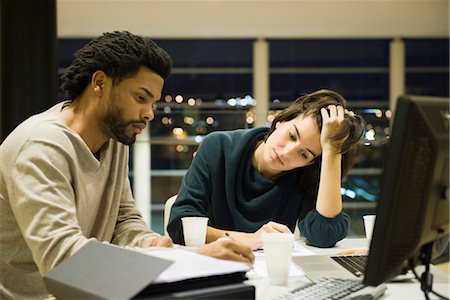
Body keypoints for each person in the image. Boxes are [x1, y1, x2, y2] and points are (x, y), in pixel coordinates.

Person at [0, 31, 253, 299]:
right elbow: (64, 261)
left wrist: (150, 243)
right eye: (141, 98)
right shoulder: (41, 147)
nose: (150, 113)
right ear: (99, 83)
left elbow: (123, 219)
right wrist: (190, 258)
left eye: (153, 102)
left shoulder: (113, 138)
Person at [167, 89, 365, 250]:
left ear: (310, 163)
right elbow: (181, 226)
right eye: (292, 135)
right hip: (213, 269)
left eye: (304, 154)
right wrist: (250, 239)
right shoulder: (218, 147)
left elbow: (324, 236)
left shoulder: (304, 175)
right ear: (280, 121)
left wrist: (332, 150)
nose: (287, 152)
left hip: (272, 276)